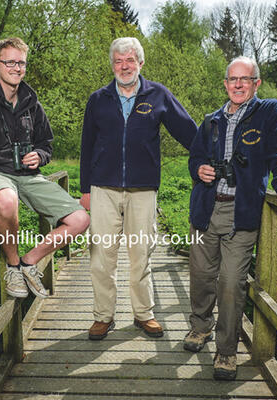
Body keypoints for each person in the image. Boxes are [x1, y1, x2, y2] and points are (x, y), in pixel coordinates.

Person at [185, 56, 277, 380]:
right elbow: (195, 155)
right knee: (199, 275)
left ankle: (226, 353)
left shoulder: (270, 112)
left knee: (230, 284)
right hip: (205, 209)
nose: (238, 85)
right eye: (232, 79)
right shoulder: (211, 120)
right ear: (225, 84)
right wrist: (198, 169)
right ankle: (200, 328)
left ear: (256, 83)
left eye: (245, 79)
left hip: (241, 212)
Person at [80, 37, 197, 340]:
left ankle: (144, 314)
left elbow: (188, 132)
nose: (124, 66)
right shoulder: (98, 99)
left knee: (141, 254)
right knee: (101, 257)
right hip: (103, 187)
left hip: (143, 190)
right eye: (118, 61)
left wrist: (208, 158)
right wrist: (85, 189)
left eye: (130, 60)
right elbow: (86, 146)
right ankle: (103, 317)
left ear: (140, 63)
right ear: (112, 65)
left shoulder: (157, 95)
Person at [0, 37, 89, 299]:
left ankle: (28, 262)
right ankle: (12, 267)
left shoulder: (32, 103)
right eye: (10, 62)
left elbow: (47, 143)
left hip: (30, 176)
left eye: (21, 63)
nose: (16, 68)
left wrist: (39, 156)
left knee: (81, 219)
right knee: (7, 201)